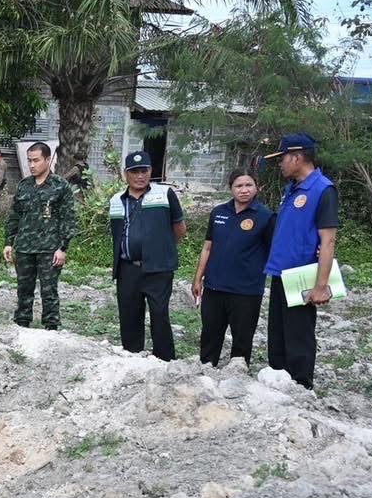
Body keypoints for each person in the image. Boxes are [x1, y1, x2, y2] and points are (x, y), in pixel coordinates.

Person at [262, 133, 339, 389]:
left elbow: (327, 241)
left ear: (297, 157)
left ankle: (300, 386)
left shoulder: (322, 190)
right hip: (280, 272)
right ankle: (278, 380)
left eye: (282, 158)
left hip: (301, 275)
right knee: (278, 333)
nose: (280, 164)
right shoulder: (292, 189)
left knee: (298, 334)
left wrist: (321, 285)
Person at [191, 169, 275, 366]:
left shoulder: (266, 216)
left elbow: (274, 250)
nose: (244, 190)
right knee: (210, 337)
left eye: (249, 185)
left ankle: (238, 378)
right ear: (231, 189)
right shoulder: (219, 212)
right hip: (214, 287)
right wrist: (198, 278)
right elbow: (207, 247)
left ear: (257, 188)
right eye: (239, 186)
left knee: (242, 341)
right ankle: (205, 375)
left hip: (246, 291)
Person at [109, 150, 186, 360]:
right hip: (127, 269)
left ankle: (164, 360)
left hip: (158, 269)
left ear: (151, 171)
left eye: (144, 170)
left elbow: (179, 227)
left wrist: (163, 249)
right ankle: (133, 357)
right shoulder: (116, 199)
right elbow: (117, 234)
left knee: (159, 314)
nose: (140, 176)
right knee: (129, 315)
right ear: (126, 174)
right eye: (134, 171)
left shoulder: (164, 194)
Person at [5, 141, 76, 330]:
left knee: (49, 291)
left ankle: (51, 328)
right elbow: (14, 215)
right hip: (25, 247)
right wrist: (9, 242)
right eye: (29, 161)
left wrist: (63, 248)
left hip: (50, 248)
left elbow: (68, 219)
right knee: (24, 289)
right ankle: (22, 325)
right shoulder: (24, 186)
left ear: (47, 159)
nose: (31, 165)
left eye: (36, 160)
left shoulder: (60, 186)